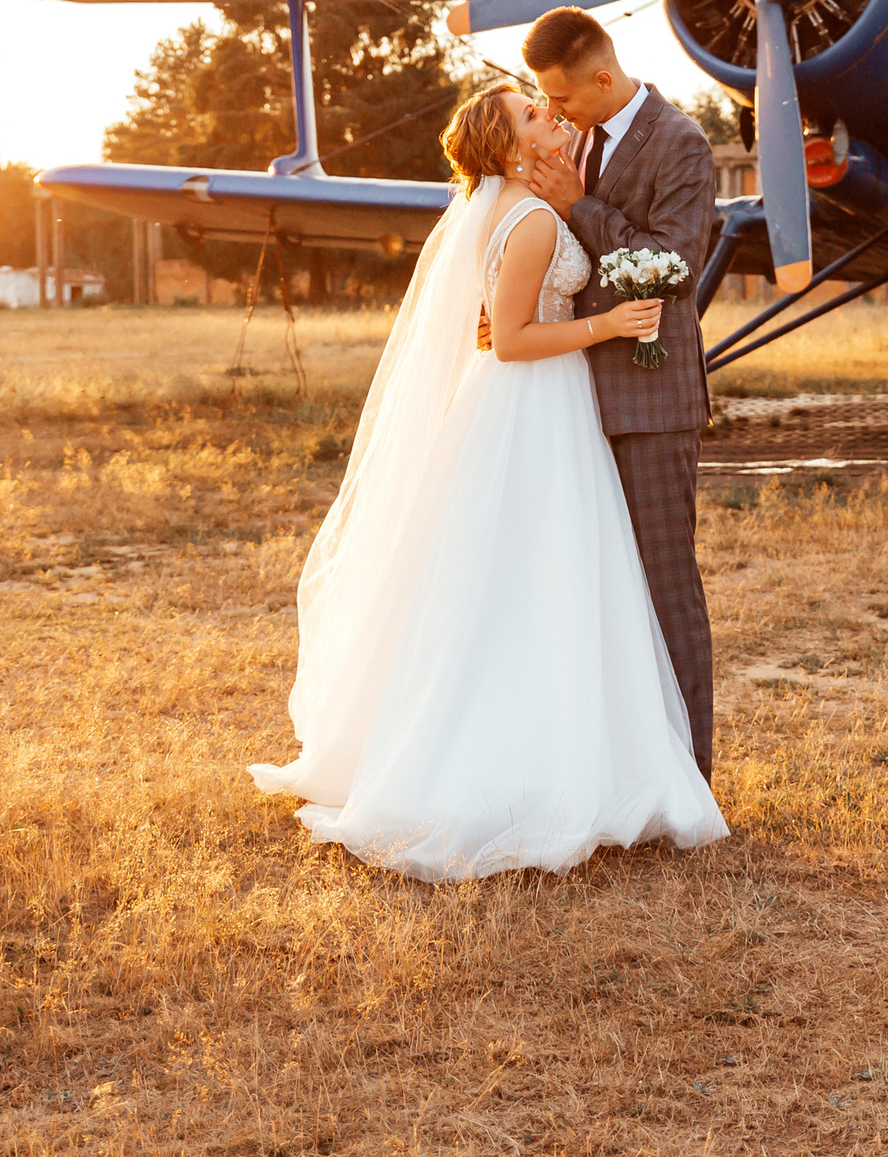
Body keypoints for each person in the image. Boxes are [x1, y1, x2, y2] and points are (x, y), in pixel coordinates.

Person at [246, 82, 726, 881]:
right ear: (510, 149)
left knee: (514, 581)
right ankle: (525, 766)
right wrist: (607, 322)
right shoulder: (534, 217)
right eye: (534, 114)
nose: (550, 114)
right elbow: (508, 339)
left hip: (534, 405)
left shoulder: (512, 205)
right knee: (544, 576)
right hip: (532, 405)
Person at [517, 7, 722, 779]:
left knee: (665, 587)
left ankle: (687, 776)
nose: (554, 114)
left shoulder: (683, 143)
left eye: (563, 100)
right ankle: (606, 770)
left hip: (648, 402)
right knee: (586, 591)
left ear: (603, 78)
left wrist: (579, 205)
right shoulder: (570, 137)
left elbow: (672, 270)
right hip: (563, 397)